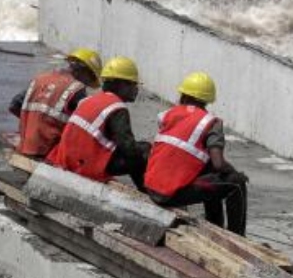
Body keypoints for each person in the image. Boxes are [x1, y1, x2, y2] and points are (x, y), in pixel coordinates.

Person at [143, 72, 249, 236]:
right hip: (170, 194)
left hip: (151, 187)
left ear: (183, 95)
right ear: (207, 101)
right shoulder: (210, 122)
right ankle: (239, 237)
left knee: (211, 175)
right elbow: (219, 163)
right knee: (235, 182)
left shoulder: (169, 114)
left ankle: (215, 225)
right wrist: (235, 172)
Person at [46, 56, 150, 188]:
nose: (136, 89)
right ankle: (146, 191)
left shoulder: (89, 100)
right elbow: (129, 149)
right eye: (133, 84)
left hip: (65, 160)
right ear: (122, 85)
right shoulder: (117, 108)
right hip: (84, 166)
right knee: (144, 151)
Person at [8, 48, 102, 158]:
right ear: (84, 71)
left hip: (26, 146)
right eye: (90, 79)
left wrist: (34, 125)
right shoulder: (76, 89)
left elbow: (14, 105)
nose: (87, 84)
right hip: (51, 152)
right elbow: (84, 126)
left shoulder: (40, 79)